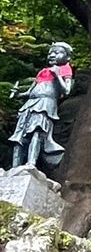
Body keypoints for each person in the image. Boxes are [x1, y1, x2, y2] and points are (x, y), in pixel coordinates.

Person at [9, 41, 72, 170]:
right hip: (30, 104)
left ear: (67, 57)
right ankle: (15, 166)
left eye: (57, 52)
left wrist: (57, 75)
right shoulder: (42, 71)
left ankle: (31, 162)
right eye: (50, 53)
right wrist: (18, 94)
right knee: (20, 134)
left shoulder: (64, 69)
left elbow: (66, 90)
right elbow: (31, 91)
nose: (52, 55)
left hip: (46, 104)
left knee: (37, 131)